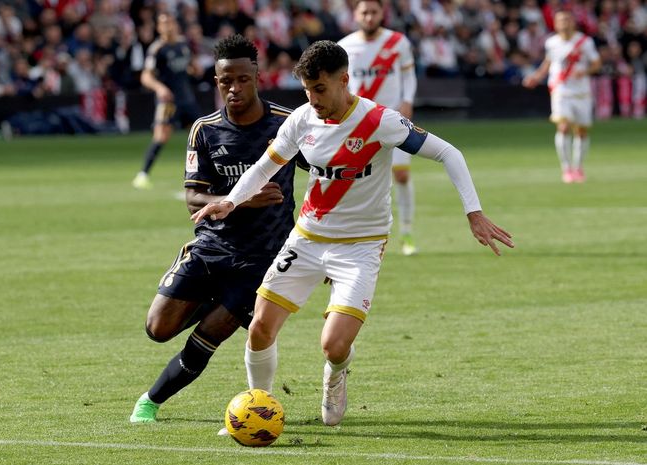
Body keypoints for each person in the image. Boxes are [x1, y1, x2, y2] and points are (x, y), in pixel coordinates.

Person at [192, 41, 514, 427]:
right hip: (308, 239)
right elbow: (264, 166)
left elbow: (449, 153)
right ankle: (260, 408)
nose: (313, 99)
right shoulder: (301, 119)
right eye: (307, 90)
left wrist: (473, 212)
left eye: (321, 89)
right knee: (260, 326)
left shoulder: (380, 121)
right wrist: (230, 202)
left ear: (344, 80)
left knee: (333, 344)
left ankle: (336, 373)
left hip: (361, 246)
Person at [129, 35, 305, 423]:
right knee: (157, 329)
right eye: (226, 81)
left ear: (257, 77)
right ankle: (215, 300)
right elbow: (193, 198)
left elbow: (325, 171)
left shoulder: (287, 125)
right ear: (216, 79)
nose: (234, 88)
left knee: (210, 334)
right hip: (211, 248)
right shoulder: (204, 130)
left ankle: (149, 402)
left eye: (242, 79)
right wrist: (242, 198)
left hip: (262, 259)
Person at [338, 0, 419, 255]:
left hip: (394, 119)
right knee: (355, 179)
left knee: (402, 175)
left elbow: (409, 75)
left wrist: (408, 101)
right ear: (356, 14)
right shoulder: (345, 46)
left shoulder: (398, 42)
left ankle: (406, 232)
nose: (369, 17)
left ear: (382, 13)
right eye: (365, 12)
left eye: (374, 12)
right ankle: (357, 236)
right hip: (360, 123)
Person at [522, 11, 601, 184]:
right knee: (563, 126)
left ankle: (578, 167)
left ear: (573, 22)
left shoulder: (584, 42)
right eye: (560, 20)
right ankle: (566, 168)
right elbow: (548, 63)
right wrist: (536, 77)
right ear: (556, 24)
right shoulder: (552, 42)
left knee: (581, 131)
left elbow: (596, 63)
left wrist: (585, 71)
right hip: (561, 90)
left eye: (566, 19)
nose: (563, 23)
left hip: (581, 92)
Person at [132, 14, 202, 190]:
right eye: (164, 24)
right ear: (159, 28)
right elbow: (145, 76)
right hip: (169, 102)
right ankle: (142, 175)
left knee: (201, 137)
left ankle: (203, 175)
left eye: (170, 22)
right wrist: (160, 88)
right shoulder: (157, 49)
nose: (168, 26)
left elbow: (192, 66)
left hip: (187, 99)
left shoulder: (183, 45)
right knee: (161, 135)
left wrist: (195, 69)